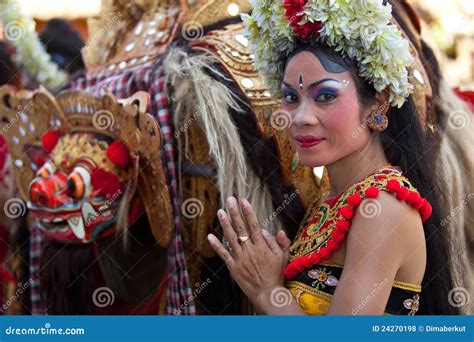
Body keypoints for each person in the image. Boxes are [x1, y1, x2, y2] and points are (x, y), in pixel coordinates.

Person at [208, 0, 465, 315]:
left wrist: (267, 290)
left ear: (377, 104)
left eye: (325, 96)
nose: (301, 117)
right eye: (290, 97)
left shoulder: (381, 207)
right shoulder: (333, 200)